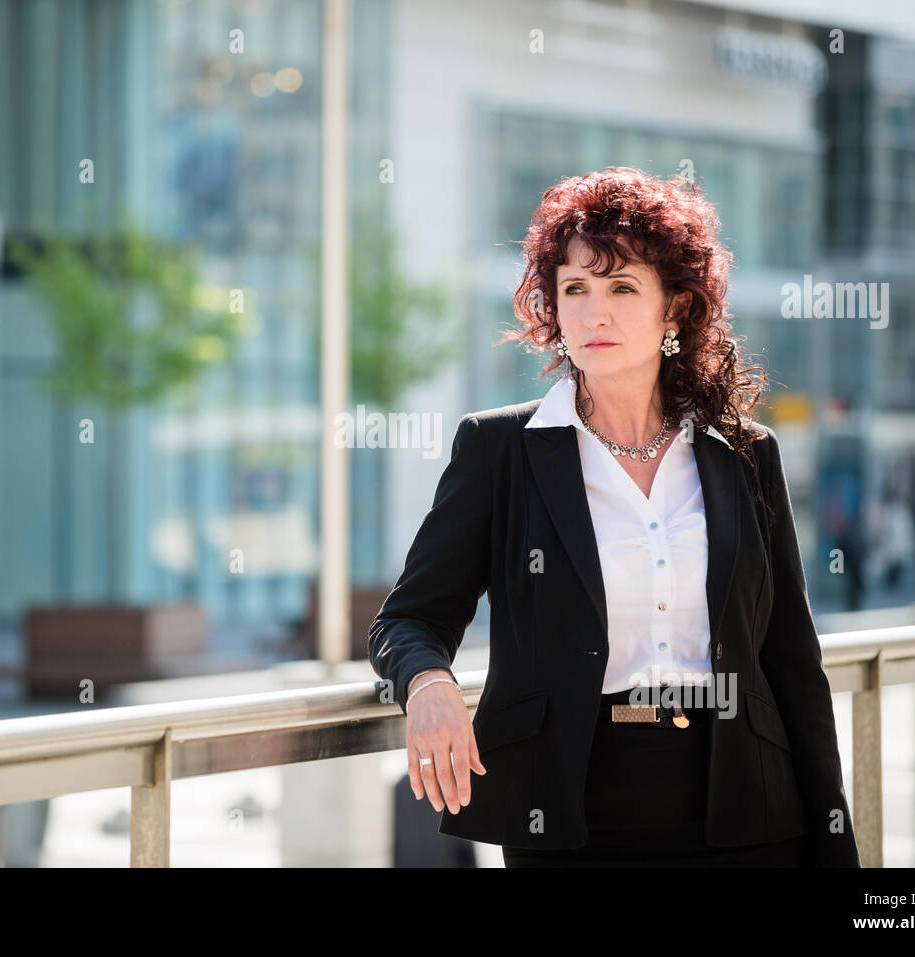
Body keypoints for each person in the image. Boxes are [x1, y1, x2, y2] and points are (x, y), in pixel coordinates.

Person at [368, 168, 860, 867]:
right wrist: (429, 683)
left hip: (749, 809)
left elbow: (792, 661)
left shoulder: (746, 455)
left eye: (622, 287)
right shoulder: (500, 451)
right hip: (571, 817)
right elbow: (407, 618)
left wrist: (836, 844)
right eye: (575, 289)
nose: (594, 313)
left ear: (676, 311)